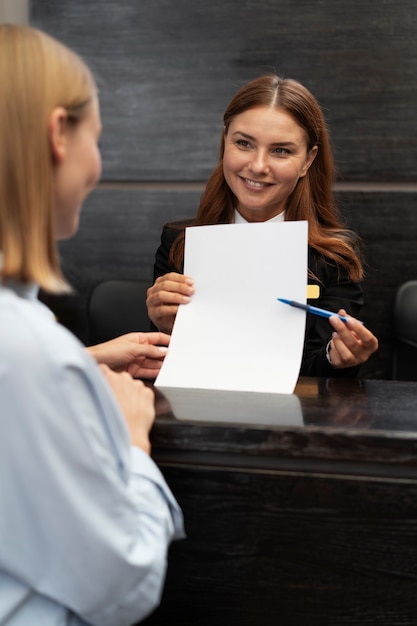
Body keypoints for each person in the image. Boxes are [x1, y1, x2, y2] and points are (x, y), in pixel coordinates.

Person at [0, 23, 184, 626]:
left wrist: (80, 363)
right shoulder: (28, 349)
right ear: (59, 133)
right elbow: (121, 583)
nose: (97, 165)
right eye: (96, 139)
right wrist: (133, 442)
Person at [147, 74, 378, 377]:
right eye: (243, 143)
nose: (257, 166)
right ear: (225, 142)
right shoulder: (179, 242)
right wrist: (166, 328)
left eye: (281, 150)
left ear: (308, 161)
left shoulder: (334, 257)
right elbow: (159, 365)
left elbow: (316, 371)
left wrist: (337, 358)